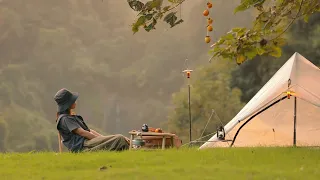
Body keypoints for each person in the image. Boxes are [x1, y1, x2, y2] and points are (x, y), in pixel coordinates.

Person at [54, 88, 130, 152]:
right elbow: (83, 133)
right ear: (68, 104)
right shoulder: (65, 119)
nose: (75, 102)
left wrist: (105, 139)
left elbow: (89, 131)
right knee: (120, 139)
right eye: (73, 100)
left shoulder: (70, 117)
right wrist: (102, 141)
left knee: (118, 139)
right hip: (84, 147)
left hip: (89, 143)